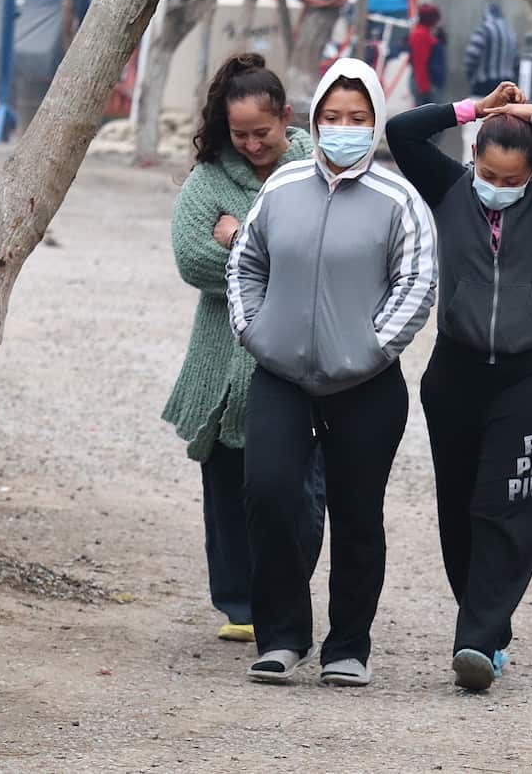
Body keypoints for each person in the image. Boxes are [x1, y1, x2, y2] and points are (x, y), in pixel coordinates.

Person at [386, 82, 532, 691]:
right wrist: (475, 109)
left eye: (513, 179)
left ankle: (477, 641)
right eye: (489, 173)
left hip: (531, 372)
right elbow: (403, 131)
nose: (499, 187)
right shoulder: (450, 189)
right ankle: (487, 621)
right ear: (473, 161)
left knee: (505, 504)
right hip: (455, 371)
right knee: (458, 508)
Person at [227, 58, 437, 687]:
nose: (343, 128)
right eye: (332, 117)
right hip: (282, 376)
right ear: (313, 121)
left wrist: (370, 348)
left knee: (355, 512)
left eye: (358, 118)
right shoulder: (282, 186)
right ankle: (282, 637)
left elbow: (418, 281)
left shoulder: (399, 199)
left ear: (374, 124)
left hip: (366, 385)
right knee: (268, 494)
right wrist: (256, 331)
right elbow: (246, 264)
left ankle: (348, 645)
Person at [164, 52, 325, 645]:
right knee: (227, 484)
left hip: (305, 355)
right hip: (223, 361)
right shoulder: (206, 180)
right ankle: (239, 601)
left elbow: (325, 251)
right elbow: (192, 259)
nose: (253, 144)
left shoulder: (318, 166)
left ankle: (284, 592)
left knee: (295, 486)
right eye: (240, 134)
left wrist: (240, 236)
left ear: (286, 117)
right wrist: (271, 254)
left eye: (263, 132)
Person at [460, 3, 518, 163]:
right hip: (504, 92)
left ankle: (470, 170)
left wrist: (472, 76)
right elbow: (516, 61)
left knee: (474, 133)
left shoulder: (484, 29)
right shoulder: (510, 32)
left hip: (482, 88)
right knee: (496, 136)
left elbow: (471, 55)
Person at [409, 3, 446, 107]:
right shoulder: (420, 34)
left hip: (427, 83)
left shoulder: (425, 32)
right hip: (425, 85)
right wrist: (424, 88)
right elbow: (420, 62)